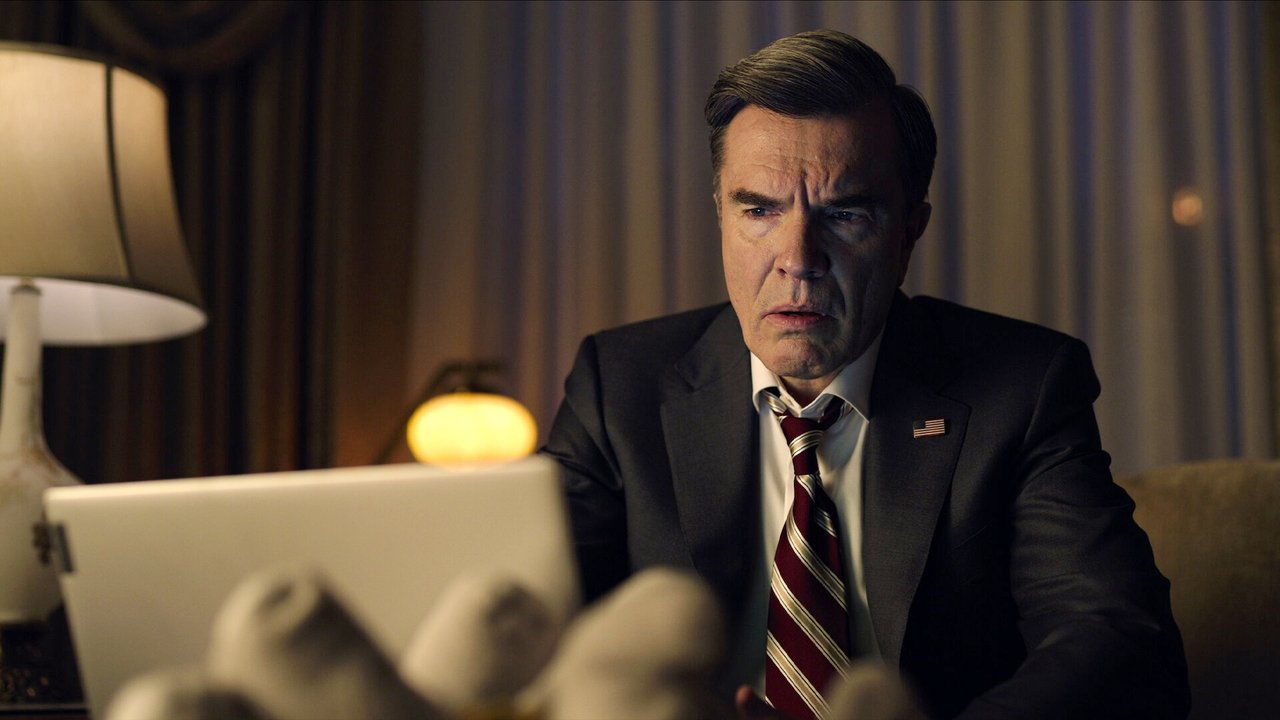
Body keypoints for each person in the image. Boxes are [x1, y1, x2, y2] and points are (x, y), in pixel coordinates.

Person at [541, 29, 1189, 720]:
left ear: (910, 231)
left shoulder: (1022, 389)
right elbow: (522, 619)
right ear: (720, 217)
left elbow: (1120, 643)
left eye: (845, 214)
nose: (798, 258)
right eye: (759, 210)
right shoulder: (619, 387)